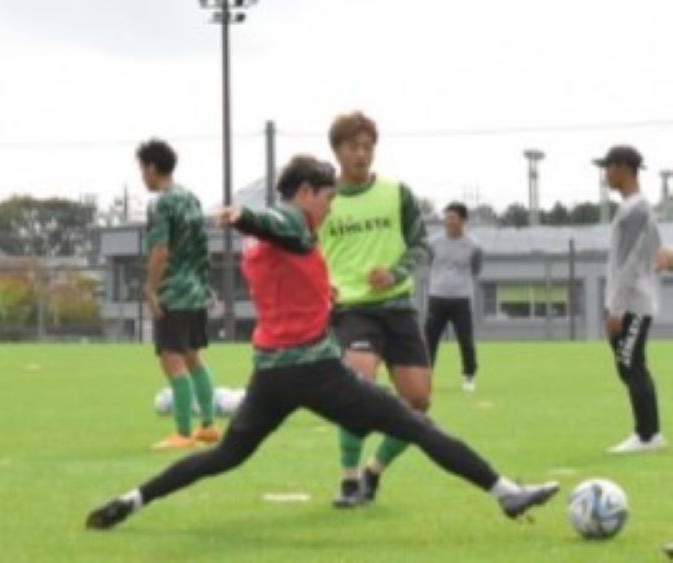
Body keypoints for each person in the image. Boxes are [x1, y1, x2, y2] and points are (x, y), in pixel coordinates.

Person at [85, 155, 559, 530]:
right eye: (328, 198)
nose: (331, 208)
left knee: (223, 457)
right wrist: (245, 215)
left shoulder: (269, 245)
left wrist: (320, 292)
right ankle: (505, 494)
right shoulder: (289, 222)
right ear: (306, 193)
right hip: (316, 372)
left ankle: (133, 500)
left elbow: (284, 263)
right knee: (417, 424)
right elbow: (280, 224)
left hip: (271, 374)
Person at [317, 112, 432, 507]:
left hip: (398, 306)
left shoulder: (397, 193)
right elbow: (306, 251)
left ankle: (373, 473)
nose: (362, 154)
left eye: (368, 147)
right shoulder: (323, 198)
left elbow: (420, 244)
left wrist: (396, 271)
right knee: (358, 383)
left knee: (418, 402)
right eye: (353, 147)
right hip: (352, 309)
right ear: (337, 151)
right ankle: (348, 480)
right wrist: (321, 286)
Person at [137, 139, 219, 450]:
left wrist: (151, 289)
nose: (142, 176)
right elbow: (202, 246)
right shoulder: (192, 199)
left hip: (173, 292)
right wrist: (204, 285)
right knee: (193, 357)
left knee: (171, 359)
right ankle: (209, 426)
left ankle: (183, 433)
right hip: (195, 290)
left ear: (152, 168)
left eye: (142, 169)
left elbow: (160, 250)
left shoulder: (162, 203)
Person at [595, 146, 665, 454]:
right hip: (629, 301)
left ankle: (647, 436)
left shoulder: (635, 209)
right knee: (632, 365)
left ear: (624, 167)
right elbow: (655, 252)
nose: (605, 173)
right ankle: (650, 434)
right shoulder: (634, 209)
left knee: (630, 365)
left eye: (608, 166)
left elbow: (630, 263)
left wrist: (616, 308)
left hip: (632, 303)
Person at [425, 202, 483, 392]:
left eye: (453, 218)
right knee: (429, 340)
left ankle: (469, 375)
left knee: (465, 339)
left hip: (461, 298)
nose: (448, 222)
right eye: (446, 218)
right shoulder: (433, 243)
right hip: (437, 297)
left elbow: (476, 269)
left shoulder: (473, 246)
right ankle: (425, 376)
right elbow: (429, 262)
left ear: (463, 220)